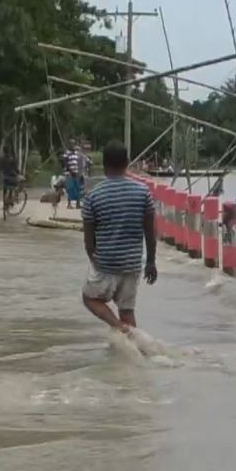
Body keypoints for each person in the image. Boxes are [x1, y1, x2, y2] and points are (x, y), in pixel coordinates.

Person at [81, 141, 157, 332]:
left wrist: (93, 257)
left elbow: (88, 238)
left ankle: (118, 327)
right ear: (127, 163)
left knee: (89, 298)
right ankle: (136, 351)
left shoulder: (93, 196)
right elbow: (150, 231)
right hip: (132, 264)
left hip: (105, 262)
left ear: (104, 165)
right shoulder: (143, 192)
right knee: (127, 311)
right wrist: (151, 262)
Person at [64, 143, 84, 209]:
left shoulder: (75, 154)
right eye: (71, 144)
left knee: (77, 188)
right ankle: (69, 204)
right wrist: (70, 171)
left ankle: (77, 204)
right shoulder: (67, 154)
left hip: (76, 173)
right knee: (70, 188)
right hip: (70, 174)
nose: (73, 146)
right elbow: (66, 164)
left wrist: (78, 172)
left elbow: (77, 164)